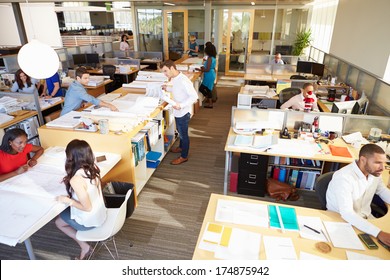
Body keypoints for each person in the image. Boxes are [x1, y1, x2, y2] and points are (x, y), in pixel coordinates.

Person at [326, 144, 390, 246]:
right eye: (377, 163)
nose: (382, 168)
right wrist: (378, 233)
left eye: (384, 163)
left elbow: (382, 190)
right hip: (343, 221)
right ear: (363, 160)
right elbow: (347, 213)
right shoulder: (344, 178)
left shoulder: (374, 173)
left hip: (366, 219)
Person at [55, 139, 107, 260]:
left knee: (58, 222)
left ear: (70, 157)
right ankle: (85, 246)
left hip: (90, 221)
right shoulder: (93, 168)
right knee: (64, 215)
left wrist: (68, 200)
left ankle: (85, 247)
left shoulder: (76, 179)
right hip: (101, 215)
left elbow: (87, 207)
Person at [160, 60, 198, 165]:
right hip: (179, 111)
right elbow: (178, 90)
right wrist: (167, 88)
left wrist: (180, 105)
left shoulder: (183, 80)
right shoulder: (176, 78)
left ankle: (184, 156)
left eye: (165, 71)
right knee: (180, 131)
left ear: (172, 68)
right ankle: (181, 147)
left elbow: (194, 97)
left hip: (183, 112)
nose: (165, 74)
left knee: (183, 135)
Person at [197, 43, 217, 108]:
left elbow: (207, 69)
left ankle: (210, 102)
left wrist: (200, 69)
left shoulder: (209, 59)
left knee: (203, 89)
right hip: (211, 74)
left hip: (209, 75)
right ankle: (209, 100)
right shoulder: (213, 58)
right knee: (208, 89)